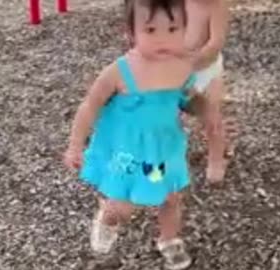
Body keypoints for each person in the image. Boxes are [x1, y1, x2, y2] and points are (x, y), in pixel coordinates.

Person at [63, 0, 196, 269]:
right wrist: (75, 144)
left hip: (161, 150)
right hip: (129, 151)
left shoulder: (183, 68)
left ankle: (169, 239)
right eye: (150, 30)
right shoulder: (119, 71)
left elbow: (188, 102)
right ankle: (107, 218)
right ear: (130, 32)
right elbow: (90, 105)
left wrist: (205, 109)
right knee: (122, 206)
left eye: (173, 29)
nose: (163, 39)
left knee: (169, 196)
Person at [183, 0, 230, 184]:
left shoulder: (216, 6)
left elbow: (215, 44)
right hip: (177, 69)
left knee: (212, 117)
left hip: (206, 71)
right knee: (167, 112)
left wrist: (191, 62)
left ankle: (216, 158)